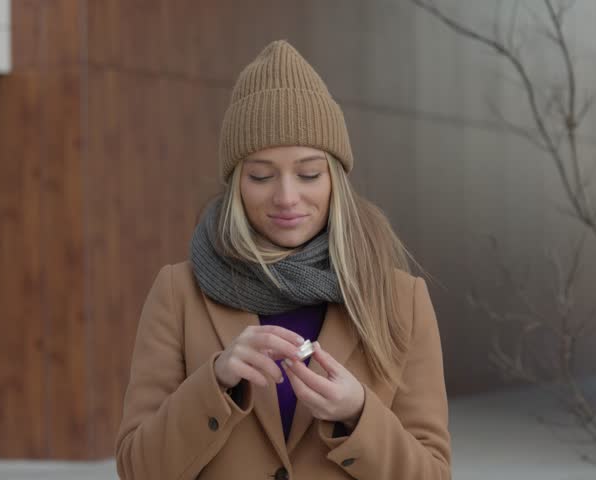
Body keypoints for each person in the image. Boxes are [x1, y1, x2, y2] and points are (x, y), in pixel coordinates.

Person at [115, 39, 451, 480]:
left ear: (335, 178)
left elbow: (433, 474)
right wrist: (214, 382)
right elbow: (138, 470)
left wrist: (358, 413)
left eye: (309, 173)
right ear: (236, 183)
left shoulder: (401, 299)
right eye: (261, 175)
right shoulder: (179, 293)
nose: (286, 197)